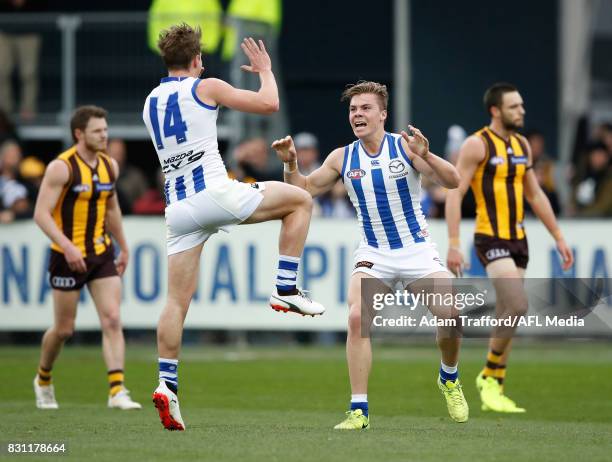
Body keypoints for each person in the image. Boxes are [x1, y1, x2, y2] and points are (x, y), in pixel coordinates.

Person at [142, 23, 324, 432]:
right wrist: (264, 70)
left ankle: (166, 384)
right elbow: (269, 104)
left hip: (179, 209)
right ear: (196, 60)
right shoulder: (205, 86)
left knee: (175, 302)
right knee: (300, 201)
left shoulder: (150, 100)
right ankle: (285, 288)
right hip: (214, 192)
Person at [272, 81, 469, 429]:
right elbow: (300, 191)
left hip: (416, 250)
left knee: (451, 316)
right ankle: (359, 411)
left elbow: (453, 182)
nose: (357, 114)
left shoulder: (405, 147)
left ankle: (449, 377)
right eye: (353, 109)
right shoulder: (342, 157)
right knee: (356, 319)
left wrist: (426, 154)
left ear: (383, 114)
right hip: (374, 253)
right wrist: (290, 163)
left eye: (365, 108)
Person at [445, 82, 574, 413]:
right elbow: (455, 193)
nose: (522, 111)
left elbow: (534, 194)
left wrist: (558, 236)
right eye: (514, 106)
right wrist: (455, 243)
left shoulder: (522, 146)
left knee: (507, 313)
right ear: (495, 111)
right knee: (517, 304)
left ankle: (495, 385)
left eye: (521, 105)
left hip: (519, 239)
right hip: (490, 236)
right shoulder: (477, 145)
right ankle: (488, 374)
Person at [32, 105, 141, 411]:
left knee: (112, 318)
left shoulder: (110, 166)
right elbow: (41, 214)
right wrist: (66, 246)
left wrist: (124, 246)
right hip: (67, 256)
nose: (104, 135)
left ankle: (117, 389)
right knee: (64, 329)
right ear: (79, 134)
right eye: (97, 131)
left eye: (105, 129)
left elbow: (111, 210)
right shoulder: (61, 167)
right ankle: (43, 378)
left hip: (101, 252)